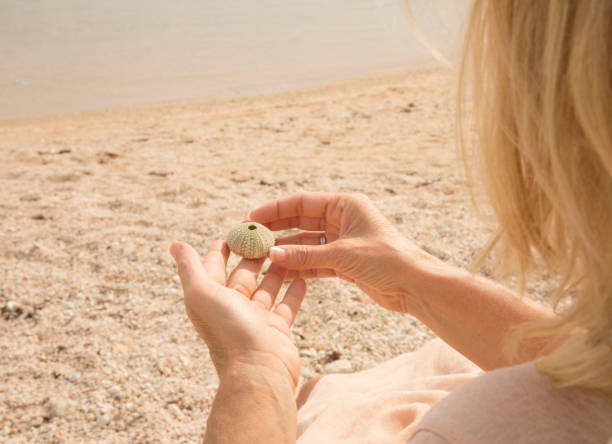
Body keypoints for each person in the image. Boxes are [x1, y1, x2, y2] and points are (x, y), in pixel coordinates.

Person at [169, 1, 612, 442]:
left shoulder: (472, 428)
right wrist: (409, 278)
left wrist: (252, 370)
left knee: (325, 402)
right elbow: (595, 364)